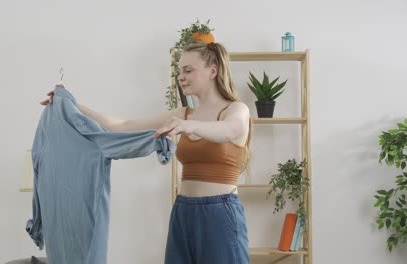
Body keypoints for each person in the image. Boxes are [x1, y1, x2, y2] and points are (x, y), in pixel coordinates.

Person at [41, 41, 251, 264]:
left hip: (220, 213)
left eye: (188, 70)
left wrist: (189, 126)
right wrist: (73, 105)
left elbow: (230, 130)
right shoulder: (185, 113)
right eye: (179, 71)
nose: (181, 77)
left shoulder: (236, 110)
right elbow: (123, 126)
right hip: (183, 210)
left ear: (213, 71)